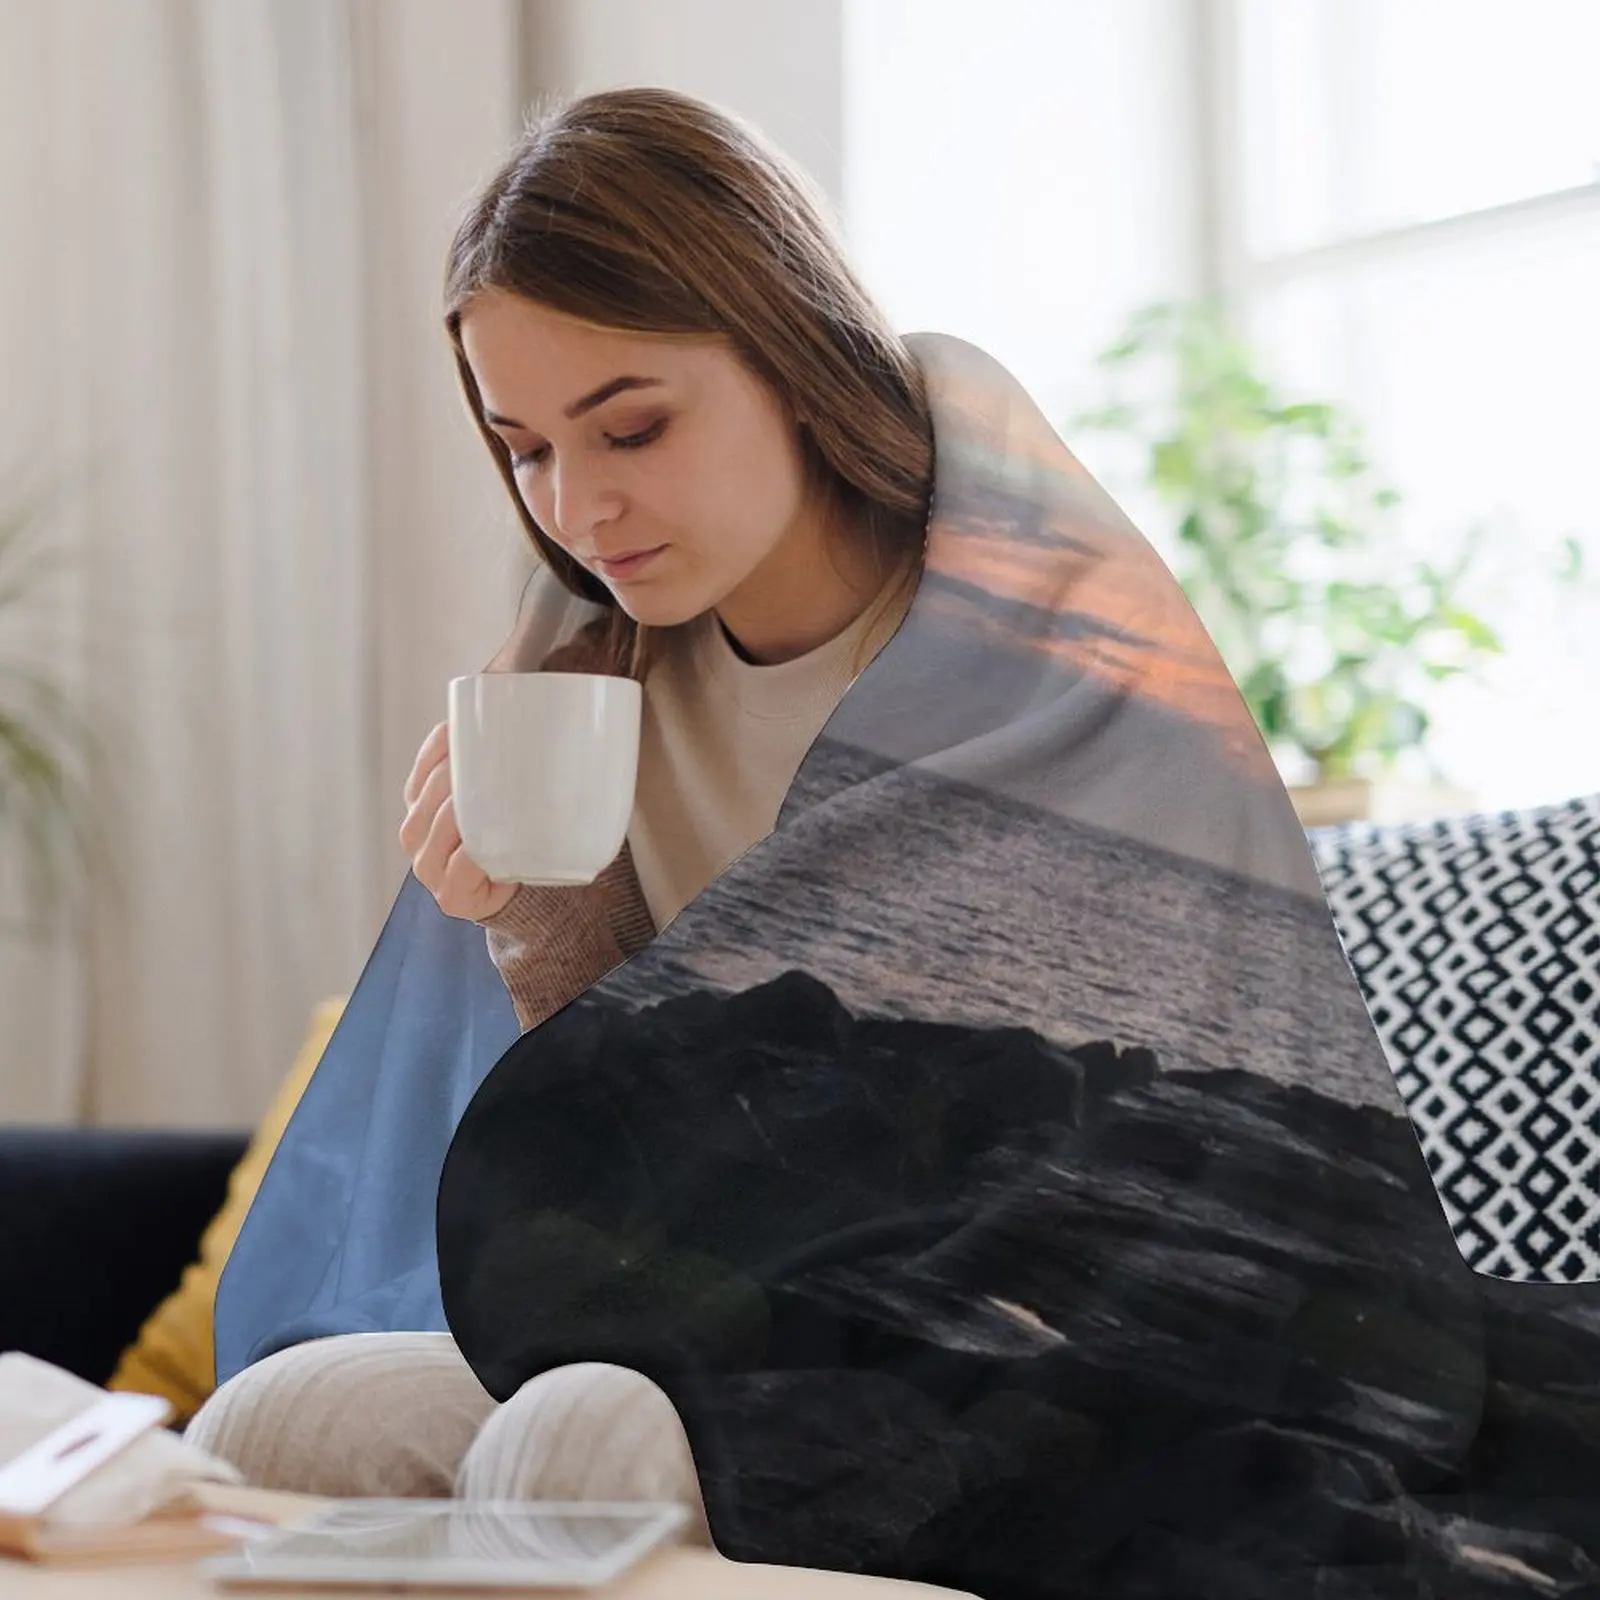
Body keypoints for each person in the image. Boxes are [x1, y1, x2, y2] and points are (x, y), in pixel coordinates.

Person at [186, 85, 933, 1523]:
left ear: (791, 353)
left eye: (631, 428)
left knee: (581, 1442)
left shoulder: (1001, 652)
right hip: (687, 1302)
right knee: (272, 1418)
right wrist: (525, 914)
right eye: (526, 449)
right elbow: (621, 1153)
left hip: (966, 1328)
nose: (577, 510)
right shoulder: (588, 664)